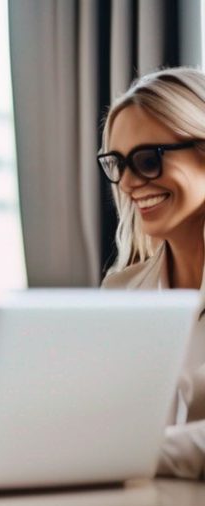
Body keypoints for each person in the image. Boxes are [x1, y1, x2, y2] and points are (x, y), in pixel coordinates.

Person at [98, 67, 205, 480]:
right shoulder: (121, 292)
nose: (127, 183)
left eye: (147, 160)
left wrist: (130, 453)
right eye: (118, 164)